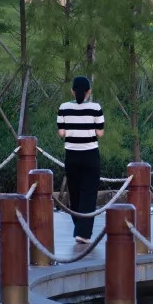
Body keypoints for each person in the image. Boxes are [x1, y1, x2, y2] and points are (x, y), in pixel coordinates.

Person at [56, 76, 105, 243]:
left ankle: (79, 227)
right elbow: (100, 133)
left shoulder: (63, 108)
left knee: (75, 192)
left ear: (73, 91)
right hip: (91, 155)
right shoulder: (96, 108)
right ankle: (83, 233)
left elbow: (61, 133)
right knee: (88, 194)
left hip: (71, 155)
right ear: (89, 92)